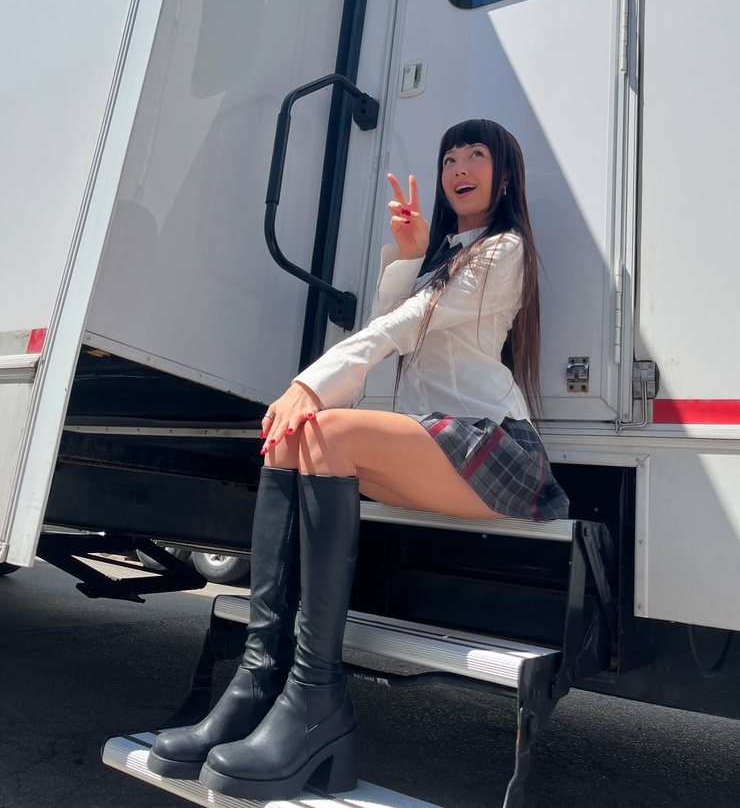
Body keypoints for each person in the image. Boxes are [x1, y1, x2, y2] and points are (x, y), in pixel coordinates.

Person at [147, 119, 569, 799]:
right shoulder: (446, 257)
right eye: (449, 158)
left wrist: (313, 382)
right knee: (292, 438)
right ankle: (261, 680)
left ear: (505, 174)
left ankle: (315, 695)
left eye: (476, 155)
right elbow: (392, 320)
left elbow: (402, 326)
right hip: (437, 440)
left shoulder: (504, 250)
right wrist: (408, 256)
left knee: (326, 424)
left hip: (494, 448)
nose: (459, 167)